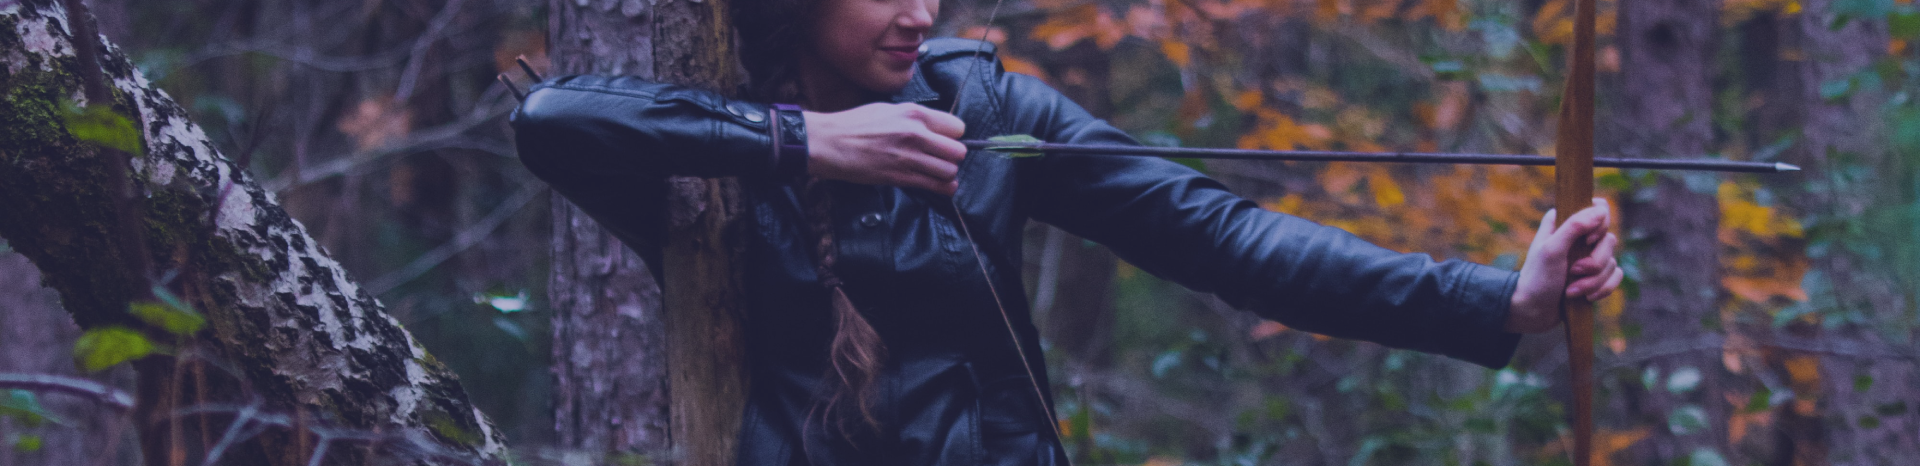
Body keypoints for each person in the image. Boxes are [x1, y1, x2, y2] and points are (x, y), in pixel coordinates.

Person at [510, 0, 1623, 463]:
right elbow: (553, 120)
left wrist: (1499, 298)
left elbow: (1223, 239)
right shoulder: (725, 153)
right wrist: (811, 143)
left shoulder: (986, 109)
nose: (920, 11)